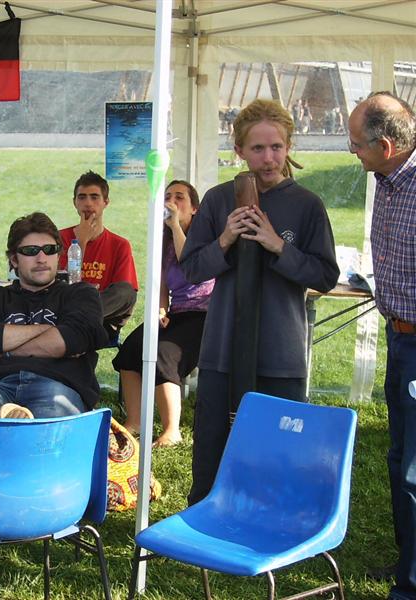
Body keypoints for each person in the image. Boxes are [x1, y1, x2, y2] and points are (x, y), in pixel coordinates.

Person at [180, 98, 339, 505]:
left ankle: (273, 519)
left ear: (289, 147)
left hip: (280, 352)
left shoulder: (306, 205)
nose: (268, 158)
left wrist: (276, 245)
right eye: (257, 148)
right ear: (239, 150)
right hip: (222, 349)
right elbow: (192, 269)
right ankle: (207, 517)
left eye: (276, 147)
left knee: (277, 454)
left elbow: (324, 275)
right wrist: (225, 239)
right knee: (213, 450)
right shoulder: (218, 200)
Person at [0, 212, 111, 456]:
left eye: (49, 250)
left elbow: (77, 336)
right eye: (30, 251)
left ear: (59, 255)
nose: (41, 258)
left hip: (57, 386)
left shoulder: (80, 294)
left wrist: (5, 348)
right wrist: (50, 331)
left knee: (53, 406)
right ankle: (21, 447)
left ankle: (2, 456)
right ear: (14, 259)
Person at [348, 91, 416, 600]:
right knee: (399, 457)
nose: (353, 152)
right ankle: (408, 558)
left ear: (385, 146)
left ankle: (411, 584)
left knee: (413, 466)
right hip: (399, 336)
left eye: (356, 144)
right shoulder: (388, 180)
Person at [112, 181, 214, 447]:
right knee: (132, 349)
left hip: (205, 314)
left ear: (194, 208)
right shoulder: (164, 238)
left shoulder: (206, 236)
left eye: (180, 197)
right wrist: (160, 310)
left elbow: (190, 265)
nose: (172, 202)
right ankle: (135, 421)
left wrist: (176, 226)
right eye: (168, 196)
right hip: (177, 312)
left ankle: (172, 430)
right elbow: (162, 284)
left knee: (164, 354)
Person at [58, 170, 139, 338]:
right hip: (65, 310)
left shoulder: (119, 244)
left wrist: (88, 302)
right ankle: (77, 318)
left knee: (126, 291)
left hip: (101, 319)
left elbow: (124, 295)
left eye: (94, 197)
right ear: (74, 202)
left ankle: (80, 316)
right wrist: (81, 242)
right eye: (82, 197)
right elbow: (62, 283)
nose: (88, 203)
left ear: (105, 202)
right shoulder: (60, 238)